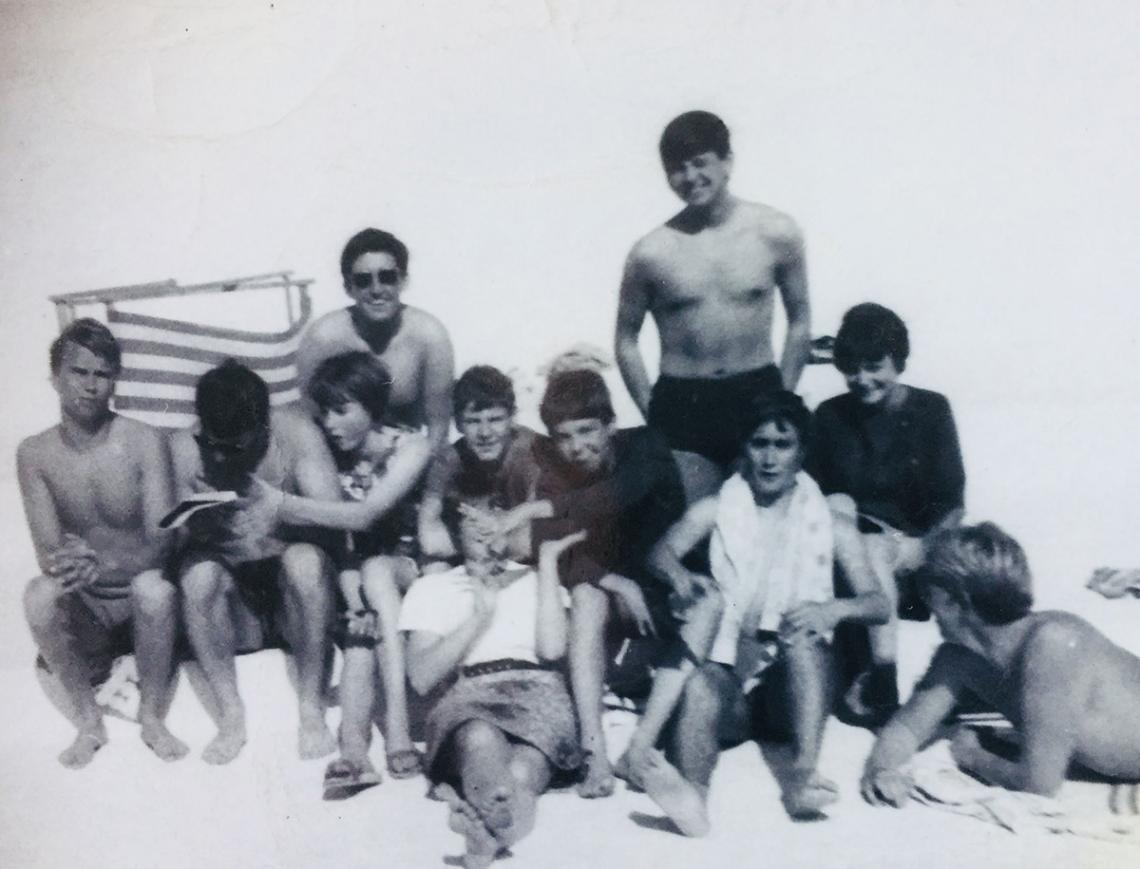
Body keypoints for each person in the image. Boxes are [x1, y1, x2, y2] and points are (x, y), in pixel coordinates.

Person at [617, 391, 890, 834]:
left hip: (792, 689)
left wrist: (834, 609)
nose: (769, 458)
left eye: (782, 445)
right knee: (701, 684)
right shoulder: (717, 509)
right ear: (745, 447)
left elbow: (879, 605)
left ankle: (802, 777)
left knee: (804, 641)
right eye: (759, 443)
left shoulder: (833, 524)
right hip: (733, 676)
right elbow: (660, 553)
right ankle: (692, 798)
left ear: (801, 451)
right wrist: (679, 576)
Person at [861, 523, 1140, 805]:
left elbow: (1039, 785)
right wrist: (882, 768)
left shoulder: (1052, 643)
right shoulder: (957, 658)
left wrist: (971, 755)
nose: (926, 605)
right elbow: (906, 728)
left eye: (928, 594)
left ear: (952, 601)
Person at [614, 110, 812, 503]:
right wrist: (653, 412)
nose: (690, 177)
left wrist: (784, 398)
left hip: (757, 390)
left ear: (727, 162)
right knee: (692, 518)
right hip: (682, 401)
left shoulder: (776, 232)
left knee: (763, 514)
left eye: (700, 162)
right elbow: (625, 339)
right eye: (677, 168)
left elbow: (800, 321)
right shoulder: (651, 253)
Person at [258, 351, 432, 791]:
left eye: (341, 410)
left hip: (413, 570)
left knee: (375, 575)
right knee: (360, 629)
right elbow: (344, 548)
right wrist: (354, 601)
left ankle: (396, 727)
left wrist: (281, 505)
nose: (330, 424)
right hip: (361, 581)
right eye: (325, 413)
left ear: (372, 405)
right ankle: (353, 753)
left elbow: (366, 517)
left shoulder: (411, 447)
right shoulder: (332, 455)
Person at [18, 319, 185, 768]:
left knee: (155, 588)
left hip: (137, 600)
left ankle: (152, 718)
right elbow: (48, 553)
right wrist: (78, 566)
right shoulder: (34, 453)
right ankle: (89, 723)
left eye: (103, 374)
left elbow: (162, 541)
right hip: (88, 606)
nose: (91, 386)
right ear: (55, 378)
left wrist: (104, 562)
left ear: (115, 380)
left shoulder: (145, 441)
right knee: (37, 595)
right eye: (79, 372)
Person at [524, 368, 687, 798]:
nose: (576, 447)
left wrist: (538, 509)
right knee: (585, 595)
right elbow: (548, 543)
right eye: (563, 437)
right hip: (617, 591)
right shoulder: (558, 470)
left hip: (668, 585)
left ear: (611, 425)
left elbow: (619, 495)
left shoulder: (646, 447)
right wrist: (613, 581)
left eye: (587, 431)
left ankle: (642, 747)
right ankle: (593, 750)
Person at [169, 360, 341, 764]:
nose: (223, 456)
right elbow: (161, 542)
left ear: (264, 426)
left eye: (237, 447)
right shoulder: (184, 449)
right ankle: (231, 716)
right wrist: (195, 527)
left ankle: (311, 709)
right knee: (197, 576)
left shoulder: (296, 435)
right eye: (214, 445)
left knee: (305, 562)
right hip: (236, 610)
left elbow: (337, 520)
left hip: (290, 599)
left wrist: (280, 511)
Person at [808, 303, 966, 725]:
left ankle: (888, 674)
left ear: (898, 361)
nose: (862, 379)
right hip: (852, 555)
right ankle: (883, 676)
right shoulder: (830, 416)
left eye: (874, 366)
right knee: (855, 528)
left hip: (917, 544)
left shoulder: (930, 410)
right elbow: (816, 499)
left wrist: (925, 547)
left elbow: (953, 502)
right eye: (851, 368)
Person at [400, 516, 585, 869]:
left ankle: (488, 840)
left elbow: (552, 649)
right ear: (455, 529)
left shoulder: (535, 578)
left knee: (524, 771)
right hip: (470, 694)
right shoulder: (433, 587)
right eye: (470, 514)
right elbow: (422, 678)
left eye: (497, 510)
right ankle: (496, 828)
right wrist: (479, 618)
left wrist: (547, 564)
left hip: (539, 691)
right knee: (480, 738)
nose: (485, 523)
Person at [296, 227, 455, 454]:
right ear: (348, 288)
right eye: (363, 281)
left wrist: (416, 472)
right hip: (338, 461)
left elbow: (438, 428)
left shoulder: (429, 336)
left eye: (387, 277)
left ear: (403, 281)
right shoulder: (324, 337)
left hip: (408, 459)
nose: (376, 289)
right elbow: (308, 423)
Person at [417, 365, 544, 563]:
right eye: (473, 421)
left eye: (495, 419)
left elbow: (528, 543)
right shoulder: (448, 461)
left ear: (513, 418)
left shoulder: (535, 453)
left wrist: (480, 542)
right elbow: (430, 541)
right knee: (433, 567)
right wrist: (469, 541)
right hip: (482, 555)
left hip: (531, 558)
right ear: (458, 423)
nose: (485, 433)